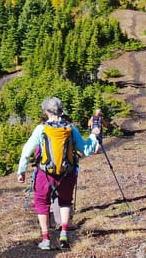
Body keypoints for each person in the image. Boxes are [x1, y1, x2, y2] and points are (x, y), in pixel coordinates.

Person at [17, 97, 100, 250]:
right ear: (61, 111)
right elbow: (86, 149)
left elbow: (26, 151)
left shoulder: (41, 129)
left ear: (46, 112)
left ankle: (46, 239)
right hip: (66, 173)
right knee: (65, 201)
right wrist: (94, 134)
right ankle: (63, 233)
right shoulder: (70, 128)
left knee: (42, 203)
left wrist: (21, 171)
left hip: (45, 174)